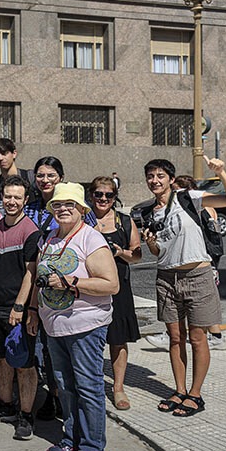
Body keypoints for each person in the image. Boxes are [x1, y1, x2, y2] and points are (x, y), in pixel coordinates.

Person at [27, 182, 119, 451]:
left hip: (86, 326)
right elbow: (37, 278)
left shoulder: (92, 240)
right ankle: (72, 438)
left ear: (82, 209)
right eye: (57, 204)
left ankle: (93, 450)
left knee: (88, 386)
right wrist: (32, 311)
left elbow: (111, 284)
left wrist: (72, 283)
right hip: (55, 327)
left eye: (69, 204)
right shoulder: (50, 238)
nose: (63, 209)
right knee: (65, 387)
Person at [141, 157, 226, 417]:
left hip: (197, 276)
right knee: (176, 338)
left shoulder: (188, 198)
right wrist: (151, 242)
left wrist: (221, 173)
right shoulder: (148, 212)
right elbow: (158, 250)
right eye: (151, 176)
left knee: (198, 338)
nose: (155, 180)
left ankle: (195, 395)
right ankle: (179, 390)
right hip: (166, 278)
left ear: (171, 180)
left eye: (160, 175)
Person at [0, 176, 41, 441]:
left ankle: (25, 414)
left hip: (17, 310)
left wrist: (21, 306)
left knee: (24, 364)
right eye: (7, 196)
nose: (11, 201)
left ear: (26, 200)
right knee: (1, 359)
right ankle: (5, 404)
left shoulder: (31, 231)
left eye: (17, 197)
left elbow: (31, 273)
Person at [145, 174, 226, 352]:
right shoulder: (163, 209)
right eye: (150, 177)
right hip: (172, 272)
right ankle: (215, 336)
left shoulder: (196, 203)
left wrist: (221, 172)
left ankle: (216, 337)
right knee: (181, 332)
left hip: (202, 262)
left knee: (198, 332)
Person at [89, 176, 142, 411]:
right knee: (89, 339)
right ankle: (92, 385)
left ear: (114, 198)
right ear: (91, 195)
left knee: (118, 338)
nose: (103, 199)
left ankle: (118, 387)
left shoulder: (124, 221)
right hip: (89, 287)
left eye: (108, 195)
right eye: (98, 194)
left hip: (118, 286)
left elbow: (138, 254)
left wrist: (121, 252)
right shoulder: (84, 219)